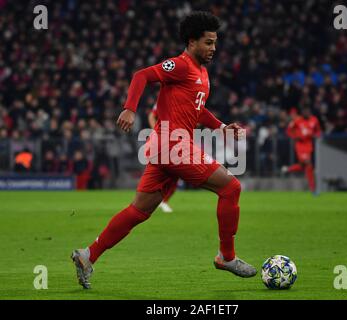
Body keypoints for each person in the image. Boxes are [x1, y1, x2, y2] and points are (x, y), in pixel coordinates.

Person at [71, 11, 256, 289]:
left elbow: (196, 108)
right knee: (231, 188)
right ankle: (226, 257)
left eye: (215, 43)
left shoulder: (201, 73)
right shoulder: (180, 65)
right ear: (192, 42)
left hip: (164, 148)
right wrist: (130, 108)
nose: (213, 48)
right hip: (174, 144)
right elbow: (142, 75)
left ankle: (88, 255)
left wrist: (220, 126)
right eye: (208, 42)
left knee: (139, 210)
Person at [281, 107, 321, 193]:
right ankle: (313, 188)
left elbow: (318, 131)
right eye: (304, 111)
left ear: (309, 112)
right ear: (302, 112)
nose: (306, 113)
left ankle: (288, 170)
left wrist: (316, 135)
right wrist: (295, 136)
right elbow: (288, 131)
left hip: (309, 145)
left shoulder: (314, 120)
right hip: (300, 145)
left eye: (307, 111)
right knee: (308, 164)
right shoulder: (297, 121)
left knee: (304, 166)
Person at [148, 103, 177, 212]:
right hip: (164, 142)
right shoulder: (164, 99)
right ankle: (157, 201)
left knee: (174, 176)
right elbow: (151, 115)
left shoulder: (184, 99)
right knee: (163, 173)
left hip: (177, 140)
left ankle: (162, 201)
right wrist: (156, 131)